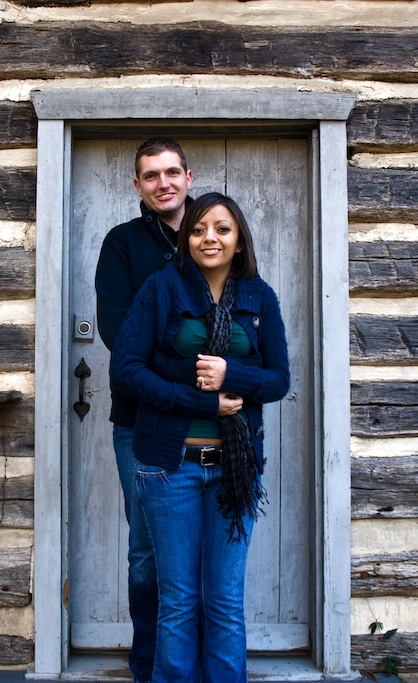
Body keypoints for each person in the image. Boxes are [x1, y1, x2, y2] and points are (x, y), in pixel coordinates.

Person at [110, 192, 290, 683]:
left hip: (236, 468)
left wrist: (233, 374)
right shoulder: (162, 288)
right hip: (169, 468)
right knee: (179, 598)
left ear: (239, 241)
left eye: (222, 229)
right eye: (197, 229)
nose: (209, 238)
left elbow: (279, 380)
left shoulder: (259, 297)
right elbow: (126, 369)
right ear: (186, 239)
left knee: (225, 599)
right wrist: (201, 402)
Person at [95, 138, 194, 683]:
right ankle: (149, 667)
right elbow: (118, 331)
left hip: (209, 419)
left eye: (171, 172)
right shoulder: (122, 243)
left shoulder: (213, 234)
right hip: (139, 421)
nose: (163, 183)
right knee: (146, 550)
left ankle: (196, 663)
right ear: (138, 185)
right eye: (151, 175)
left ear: (188, 176)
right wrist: (186, 368)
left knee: (207, 546)